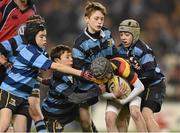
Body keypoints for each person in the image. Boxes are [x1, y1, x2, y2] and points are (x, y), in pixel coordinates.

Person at [0, 15, 91, 132]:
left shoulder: (41, 52)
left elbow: (42, 69)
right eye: (41, 36)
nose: (45, 39)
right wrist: (81, 73)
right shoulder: (30, 52)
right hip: (10, 92)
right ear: (33, 37)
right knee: (3, 126)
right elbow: (57, 66)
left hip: (23, 97)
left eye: (45, 36)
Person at [72, 1, 119, 132]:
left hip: (109, 78)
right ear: (87, 19)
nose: (99, 22)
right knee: (85, 123)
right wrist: (97, 81)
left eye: (102, 19)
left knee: (116, 116)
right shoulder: (79, 44)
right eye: (96, 18)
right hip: (87, 84)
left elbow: (114, 55)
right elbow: (79, 70)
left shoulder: (107, 34)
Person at [117, 19, 166, 132]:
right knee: (122, 116)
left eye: (127, 34)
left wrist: (132, 80)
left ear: (135, 34)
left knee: (146, 114)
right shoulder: (120, 50)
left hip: (153, 85)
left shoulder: (143, 50)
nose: (123, 37)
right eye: (121, 34)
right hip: (137, 86)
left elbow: (150, 73)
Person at [41, 44, 100, 132]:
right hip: (54, 115)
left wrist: (42, 80)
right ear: (57, 60)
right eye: (67, 57)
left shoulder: (73, 72)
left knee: (87, 124)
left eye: (71, 56)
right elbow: (74, 98)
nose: (71, 59)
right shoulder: (57, 79)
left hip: (70, 110)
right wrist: (98, 91)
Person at [90, 57, 147, 132]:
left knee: (135, 112)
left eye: (105, 76)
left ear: (109, 70)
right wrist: (114, 95)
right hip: (114, 95)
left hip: (133, 89)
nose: (103, 79)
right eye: (100, 78)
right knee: (109, 119)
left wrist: (124, 101)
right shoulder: (96, 76)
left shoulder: (122, 66)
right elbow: (101, 94)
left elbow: (140, 87)